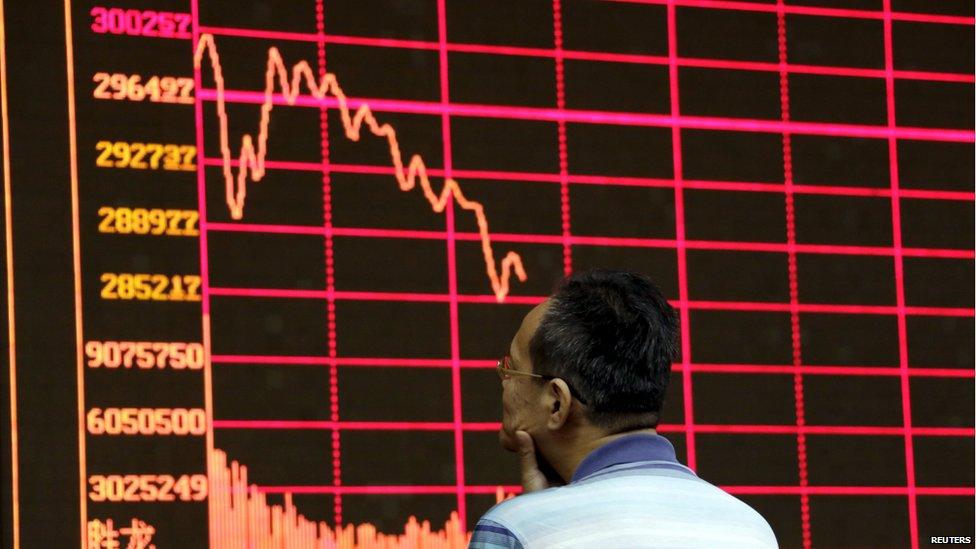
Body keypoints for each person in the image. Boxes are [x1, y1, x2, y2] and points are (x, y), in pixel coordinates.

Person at [468, 269, 778, 548]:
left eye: (512, 368)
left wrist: (537, 522)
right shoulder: (751, 529)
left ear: (556, 403)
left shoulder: (512, 530)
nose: (504, 381)